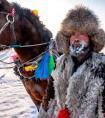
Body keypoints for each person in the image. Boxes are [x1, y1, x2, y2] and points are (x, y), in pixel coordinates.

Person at [38, 6, 105, 118]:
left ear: (91, 37)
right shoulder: (60, 63)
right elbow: (49, 98)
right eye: (73, 34)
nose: (76, 38)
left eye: (82, 33)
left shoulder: (101, 66)